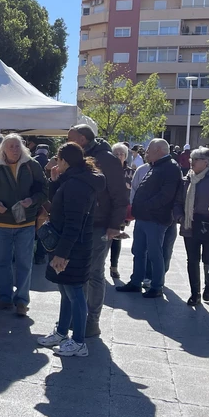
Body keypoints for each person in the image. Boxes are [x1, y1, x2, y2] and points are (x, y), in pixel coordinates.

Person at [36, 143, 105, 357]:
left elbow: (73, 223)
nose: (55, 163)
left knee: (74, 293)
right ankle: (62, 332)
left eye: (57, 159)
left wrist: (62, 254)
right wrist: (55, 182)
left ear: (64, 161)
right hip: (73, 244)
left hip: (74, 246)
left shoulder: (78, 185)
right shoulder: (74, 180)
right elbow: (59, 205)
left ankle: (78, 342)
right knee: (66, 291)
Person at [67, 124, 130, 337]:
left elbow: (120, 196)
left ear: (83, 139)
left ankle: (91, 322)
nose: (67, 141)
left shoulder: (106, 159)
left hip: (98, 225)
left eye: (71, 138)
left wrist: (114, 225)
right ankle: (78, 317)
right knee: (78, 273)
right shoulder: (78, 157)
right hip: (78, 224)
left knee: (93, 273)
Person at [0, 133, 48, 316]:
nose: (15, 150)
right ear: (3, 149)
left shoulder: (32, 165)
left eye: (17, 146)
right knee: (2, 263)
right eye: (11, 147)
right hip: (2, 223)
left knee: (24, 263)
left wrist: (32, 200)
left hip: (26, 222)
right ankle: (5, 298)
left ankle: (22, 301)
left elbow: (43, 190)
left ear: (23, 147)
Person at [116, 139, 182, 299]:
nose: (146, 152)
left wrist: (145, 205)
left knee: (154, 253)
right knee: (138, 251)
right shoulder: (156, 166)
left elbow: (166, 195)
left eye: (149, 149)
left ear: (159, 150)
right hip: (144, 217)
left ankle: (157, 286)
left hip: (155, 219)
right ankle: (136, 282)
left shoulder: (171, 167)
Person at [176, 147, 209, 307]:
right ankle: (194, 293)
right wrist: (180, 217)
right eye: (191, 159)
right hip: (189, 224)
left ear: (207, 162)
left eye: (196, 159)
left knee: (207, 260)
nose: (192, 162)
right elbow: (178, 202)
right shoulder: (186, 179)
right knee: (192, 260)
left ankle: (208, 284)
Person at [109, 143, 134, 279]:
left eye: (121, 154)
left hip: (122, 210)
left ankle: (114, 266)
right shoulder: (106, 169)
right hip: (106, 209)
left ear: (126, 156)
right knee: (104, 237)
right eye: (116, 154)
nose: (119, 156)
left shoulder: (131, 172)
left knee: (117, 237)